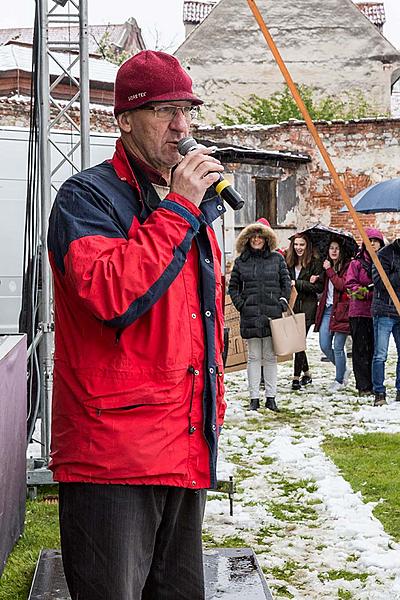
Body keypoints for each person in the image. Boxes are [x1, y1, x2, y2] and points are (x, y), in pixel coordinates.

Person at [47, 50, 227, 600]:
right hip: (113, 453)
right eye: (164, 111)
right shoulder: (86, 197)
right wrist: (180, 208)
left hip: (181, 441)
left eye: (187, 111)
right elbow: (110, 294)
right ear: (124, 120)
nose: (182, 126)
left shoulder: (185, 203)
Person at [228, 218, 291, 412]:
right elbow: (233, 287)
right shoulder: (241, 262)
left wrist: (282, 301)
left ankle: (271, 397)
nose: (256, 240)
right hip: (251, 314)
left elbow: (285, 282)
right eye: (253, 236)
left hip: (272, 313)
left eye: (260, 236)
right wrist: (241, 305)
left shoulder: (277, 259)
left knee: (270, 357)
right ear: (248, 239)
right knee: (254, 357)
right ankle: (254, 397)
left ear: (266, 239)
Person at [345, 228, 385, 397]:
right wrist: (367, 292)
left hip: (378, 311)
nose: (373, 244)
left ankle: (375, 382)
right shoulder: (356, 263)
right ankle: (363, 385)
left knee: (375, 350)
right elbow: (350, 286)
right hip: (359, 312)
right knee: (360, 349)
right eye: (371, 240)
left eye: (376, 241)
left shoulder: (385, 262)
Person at [285, 232, 323, 390]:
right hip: (292, 307)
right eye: (296, 245)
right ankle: (306, 373)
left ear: (307, 246)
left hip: (308, 307)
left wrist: (298, 283)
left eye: (302, 244)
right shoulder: (288, 262)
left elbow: (318, 288)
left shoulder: (315, 263)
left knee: (299, 341)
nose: (298, 248)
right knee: (296, 342)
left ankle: (295, 378)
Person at [314, 237, 351, 392]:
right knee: (324, 345)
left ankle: (339, 380)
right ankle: (344, 370)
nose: (334, 251)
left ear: (341, 251)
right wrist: (317, 278)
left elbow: (342, 285)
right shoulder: (326, 267)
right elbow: (323, 287)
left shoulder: (347, 266)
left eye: (336, 248)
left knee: (338, 347)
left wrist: (329, 270)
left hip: (342, 310)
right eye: (331, 248)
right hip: (328, 310)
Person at [371, 237, 400, 406]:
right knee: (381, 355)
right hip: (384, 311)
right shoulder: (384, 254)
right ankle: (379, 392)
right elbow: (380, 282)